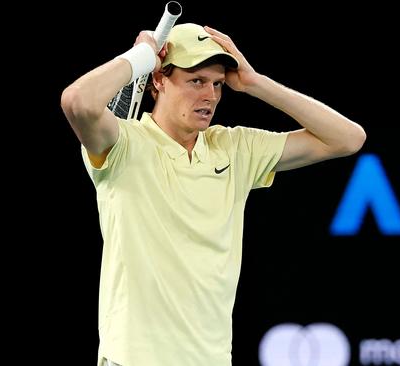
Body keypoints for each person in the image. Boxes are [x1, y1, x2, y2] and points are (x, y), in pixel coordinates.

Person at [60, 22, 366, 366]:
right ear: (159, 81)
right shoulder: (122, 142)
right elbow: (77, 102)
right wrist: (140, 57)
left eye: (217, 84)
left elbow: (347, 139)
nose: (210, 96)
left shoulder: (234, 148)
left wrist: (255, 83)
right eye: (196, 81)